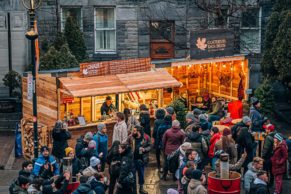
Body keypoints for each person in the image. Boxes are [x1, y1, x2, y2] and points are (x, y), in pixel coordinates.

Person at [128, 125, 151, 194]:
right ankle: (134, 190)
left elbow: (150, 146)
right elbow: (126, 144)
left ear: (139, 131)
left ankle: (141, 188)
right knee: (133, 176)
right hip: (133, 160)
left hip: (141, 160)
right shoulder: (131, 137)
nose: (133, 132)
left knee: (141, 175)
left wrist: (145, 149)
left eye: (134, 131)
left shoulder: (146, 137)